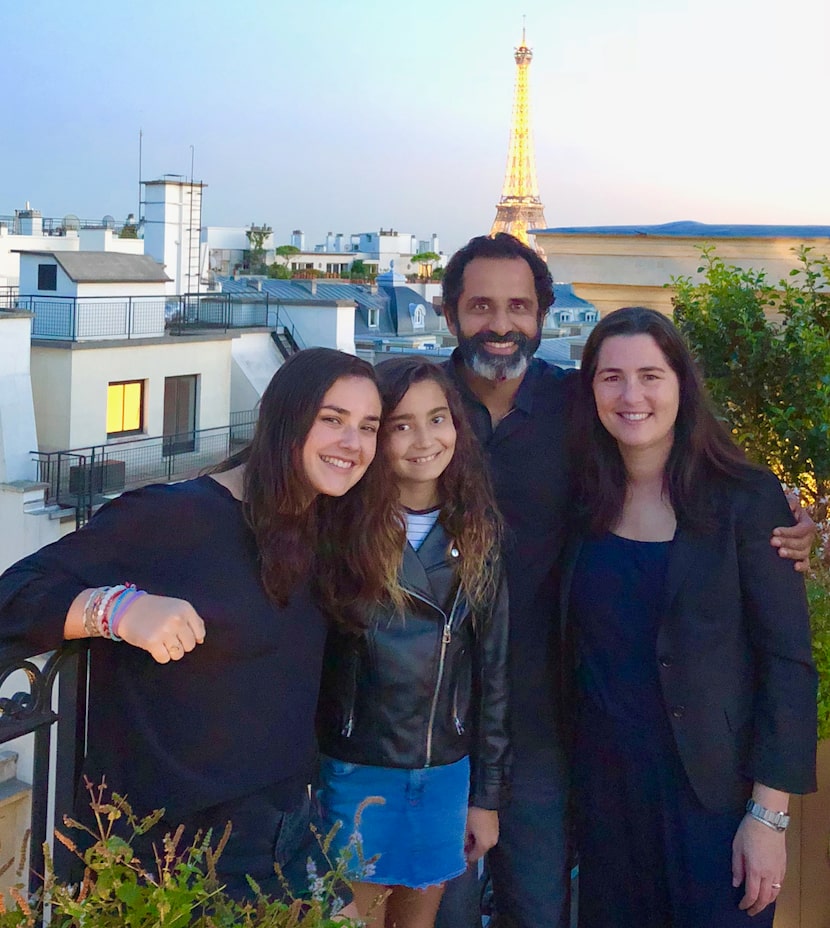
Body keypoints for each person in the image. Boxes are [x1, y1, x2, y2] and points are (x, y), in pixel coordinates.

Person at [433, 234, 816, 928]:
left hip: (562, 732)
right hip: (434, 722)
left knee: (542, 909)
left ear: (545, 313)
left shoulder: (573, 410)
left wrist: (793, 520)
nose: (500, 322)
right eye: (481, 304)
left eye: (519, 305)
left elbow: (786, 658)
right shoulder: (417, 406)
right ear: (448, 311)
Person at [0, 347, 404, 902]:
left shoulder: (328, 529)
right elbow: (15, 595)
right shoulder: (174, 516)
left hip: (285, 835)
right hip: (168, 854)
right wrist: (116, 610)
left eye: (368, 427)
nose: (352, 443)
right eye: (331, 419)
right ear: (284, 419)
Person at [563, 307, 817, 927]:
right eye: (611, 377)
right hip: (605, 800)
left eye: (651, 375)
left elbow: (787, 664)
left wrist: (768, 816)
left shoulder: (747, 498)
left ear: (681, 384)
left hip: (716, 803)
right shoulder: (576, 497)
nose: (631, 396)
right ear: (590, 387)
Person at [316, 357, 510, 928]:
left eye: (438, 418)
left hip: (445, 773)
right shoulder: (339, 527)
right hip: (356, 769)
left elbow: (494, 673)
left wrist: (488, 796)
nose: (425, 440)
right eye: (400, 425)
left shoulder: (479, 527)